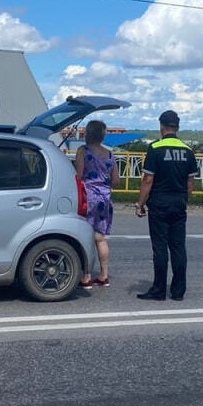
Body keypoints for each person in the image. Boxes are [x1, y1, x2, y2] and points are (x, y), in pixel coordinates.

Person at [135, 110, 199, 301]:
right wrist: (182, 199)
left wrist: (140, 203)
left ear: (162, 127)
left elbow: (148, 179)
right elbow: (190, 184)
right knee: (179, 247)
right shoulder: (188, 150)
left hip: (160, 203)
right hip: (179, 203)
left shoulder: (155, 148)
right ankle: (178, 291)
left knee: (160, 247)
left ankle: (159, 290)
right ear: (177, 128)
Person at [75, 119, 119, 289]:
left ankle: (86, 276)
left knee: (86, 235)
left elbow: (78, 175)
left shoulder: (83, 151)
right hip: (105, 198)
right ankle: (104, 275)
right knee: (100, 238)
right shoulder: (110, 155)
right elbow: (116, 181)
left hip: (88, 196)